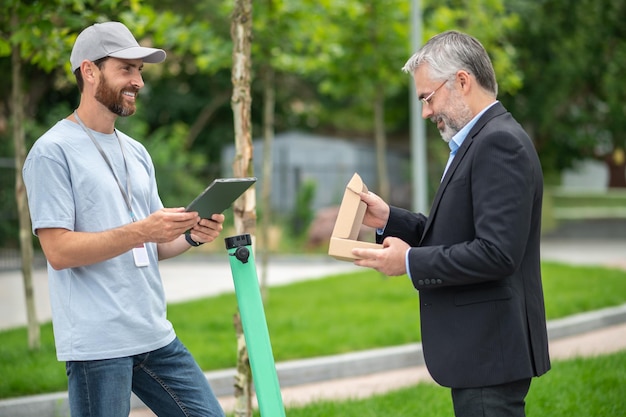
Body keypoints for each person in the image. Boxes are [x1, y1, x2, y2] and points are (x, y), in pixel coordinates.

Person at [23, 22, 226, 417]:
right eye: (126, 69)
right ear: (89, 71)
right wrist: (141, 230)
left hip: (153, 334)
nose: (138, 82)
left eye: (140, 71)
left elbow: (154, 246)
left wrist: (192, 236)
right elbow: (59, 251)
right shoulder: (52, 152)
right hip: (98, 344)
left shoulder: (136, 152)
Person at [352, 30, 551, 417]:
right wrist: (390, 219)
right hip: (483, 350)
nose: (426, 112)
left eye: (428, 97)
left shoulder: (497, 143)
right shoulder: (481, 139)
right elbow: (456, 232)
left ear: (462, 81)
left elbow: (496, 253)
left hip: (489, 352)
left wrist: (410, 263)